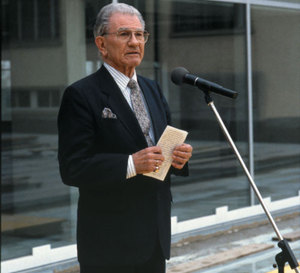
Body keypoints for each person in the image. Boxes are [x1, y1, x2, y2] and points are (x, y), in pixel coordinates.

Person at [57, 3, 192, 273]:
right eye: (124, 34)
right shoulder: (81, 95)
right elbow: (73, 168)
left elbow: (162, 148)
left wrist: (179, 157)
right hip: (110, 244)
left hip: (154, 236)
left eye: (140, 35)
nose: (134, 42)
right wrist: (130, 164)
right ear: (101, 43)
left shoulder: (152, 89)